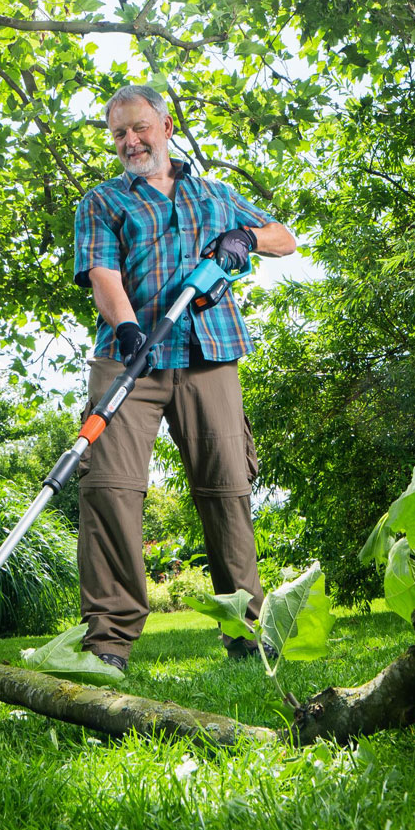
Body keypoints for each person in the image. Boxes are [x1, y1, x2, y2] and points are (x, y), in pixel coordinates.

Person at [72, 84, 296, 671]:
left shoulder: (217, 196)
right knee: (109, 489)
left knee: (226, 489)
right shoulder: (103, 201)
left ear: (166, 127)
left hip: (210, 354)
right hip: (130, 358)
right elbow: (102, 272)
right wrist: (125, 330)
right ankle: (108, 643)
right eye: (119, 133)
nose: (130, 141)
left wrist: (243, 238)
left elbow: (284, 239)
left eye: (140, 128)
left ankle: (247, 635)